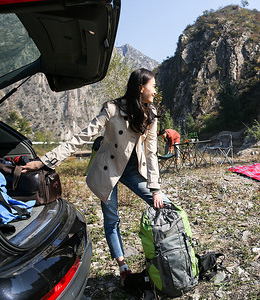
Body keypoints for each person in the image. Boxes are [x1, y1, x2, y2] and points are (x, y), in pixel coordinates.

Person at [22, 68, 171, 285]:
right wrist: (46, 161)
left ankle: (169, 253)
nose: (155, 91)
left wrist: (155, 188)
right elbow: (82, 136)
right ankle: (123, 268)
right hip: (107, 170)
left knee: (165, 204)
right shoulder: (112, 109)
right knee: (112, 220)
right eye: (153, 86)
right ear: (141, 88)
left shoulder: (151, 114)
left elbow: (151, 153)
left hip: (132, 171)